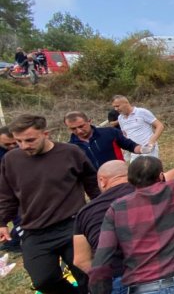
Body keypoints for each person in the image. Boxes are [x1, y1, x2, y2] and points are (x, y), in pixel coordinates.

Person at [74, 128, 174, 294]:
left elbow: (85, 259)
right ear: (160, 176)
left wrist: (102, 287)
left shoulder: (95, 211)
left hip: (135, 285)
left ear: (102, 181)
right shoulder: (168, 190)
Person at [0, 114, 100, 294]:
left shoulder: (71, 152)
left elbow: (92, 183)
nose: (24, 146)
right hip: (34, 229)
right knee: (43, 281)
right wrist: (2, 222)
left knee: (86, 274)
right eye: (18, 141)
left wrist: (99, 209)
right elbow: (6, 194)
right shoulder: (11, 159)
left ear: (46, 134)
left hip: (72, 225)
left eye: (30, 140)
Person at [64, 111, 144, 169]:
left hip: (119, 177)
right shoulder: (70, 148)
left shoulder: (110, 132)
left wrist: (143, 149)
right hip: (95, 186)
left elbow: (131, 146)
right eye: (73, 129)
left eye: (81, 126)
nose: (79, 131)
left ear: (89, 121)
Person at [111, 95, 164, 161]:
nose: (116, 109)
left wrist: (152, 141)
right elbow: (125, 134)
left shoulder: (142, 112)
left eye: (117, 106)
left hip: (148, 149)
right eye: (114, 107)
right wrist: (123, 148)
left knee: (151, 170)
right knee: (135, 171)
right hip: (134, 150)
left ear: (126, 103)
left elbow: (159, 126)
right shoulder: (120, 118)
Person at [0, 127, 21, 254]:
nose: (12, 146)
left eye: (15, 143)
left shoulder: (24, 147)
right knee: (19, 218)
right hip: (8, 192)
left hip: (26, 188)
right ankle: (13, 242)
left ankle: (13, 241)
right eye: (7, 144)